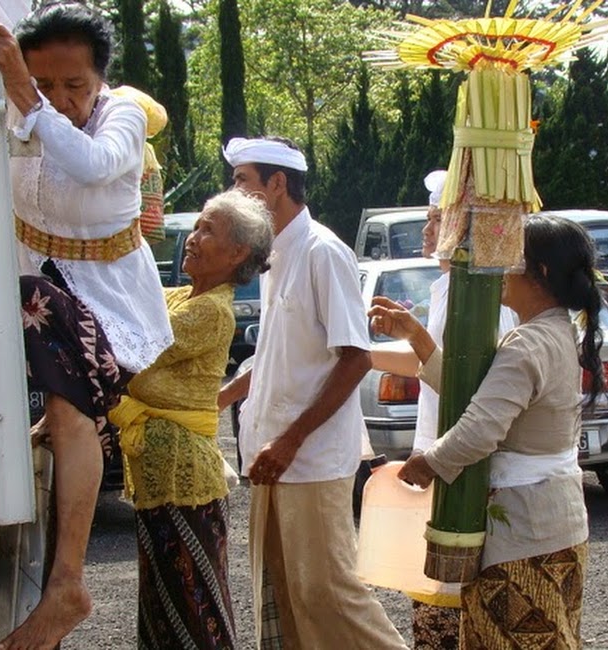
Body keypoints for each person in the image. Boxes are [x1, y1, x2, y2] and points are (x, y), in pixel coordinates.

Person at [0, 5, 174, 649]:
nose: (61, 101)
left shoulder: (121, 116)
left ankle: (69, 581)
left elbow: (94, 165)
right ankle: (42, 585)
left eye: (75, 87)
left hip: (110, 306)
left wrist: (27, 99)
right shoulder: (12, 108)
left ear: (100, 81)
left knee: (69, 412)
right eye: (47, 84)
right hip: (32, 294)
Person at [370, 214, 605, 649]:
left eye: (510, 257)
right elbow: (478, 399)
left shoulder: (528, 342)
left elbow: (480, 427)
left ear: (542, 273)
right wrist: (417, 336)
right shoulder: (551, 332)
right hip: (553, 522)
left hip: (523, 532)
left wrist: (428, 464)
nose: (499, 269)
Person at [217, 137, 407, 650]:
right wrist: (222, 396)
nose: (234, 193)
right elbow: (281, 356)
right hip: (271, 456)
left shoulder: (324, 251)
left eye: (242, 182)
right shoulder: (272, 253)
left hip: (310, 458)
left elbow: (355, 357)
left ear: (277, 185)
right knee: (282, 593)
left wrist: (290, 441)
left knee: (326, 593)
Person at [109, 189, 273, 649]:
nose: (193, 238)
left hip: (186, 484)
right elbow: (126, 295)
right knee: (163, 608)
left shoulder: (211, 311)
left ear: (237, 253)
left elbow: (136, 346)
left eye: (208, 230)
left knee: (193, 610)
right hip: (160, 482)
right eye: (196, 227)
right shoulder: (182, 295)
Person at [370, 170, 516, 649]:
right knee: (432, 588)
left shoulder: (481, 293)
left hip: (461, 458)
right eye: (431, 219)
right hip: (439, 448)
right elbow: (428, 365)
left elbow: (464, 382)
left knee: (452, 594)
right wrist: (361, 353)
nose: (428, 230)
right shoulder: (446, 284)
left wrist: (412, 335)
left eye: (438, 219)